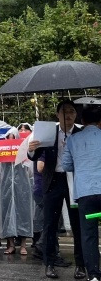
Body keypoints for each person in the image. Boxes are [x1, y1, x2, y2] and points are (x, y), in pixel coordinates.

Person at [28, 100, 86, 279]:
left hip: (75, 181)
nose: (68, 115)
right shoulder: (49, 132)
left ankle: (81, 265)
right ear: (57, 114)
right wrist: (32, 150)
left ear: (76, 115)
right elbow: (34, 156)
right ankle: (49, 263)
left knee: (78, 225)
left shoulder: (81, 133)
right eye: (64, 112)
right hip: (53, 180)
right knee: (50, 224)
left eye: (71, 112)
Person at [63, 104, 101, 281]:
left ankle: (93, 274)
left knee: (89, 233)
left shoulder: (73, 139)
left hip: (86, 195)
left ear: (82, 121)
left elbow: (66, 166)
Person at [0, 128, 33, 255]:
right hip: (6, 188)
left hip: (22, 188)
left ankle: (23, 245)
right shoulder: (1, 154)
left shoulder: (24, 153)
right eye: (8, 138)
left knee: (23, 214)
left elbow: (30, 172)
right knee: (7, 214)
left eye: (13, 137)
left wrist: (23, 158)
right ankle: (11, 245)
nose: (10, 140)